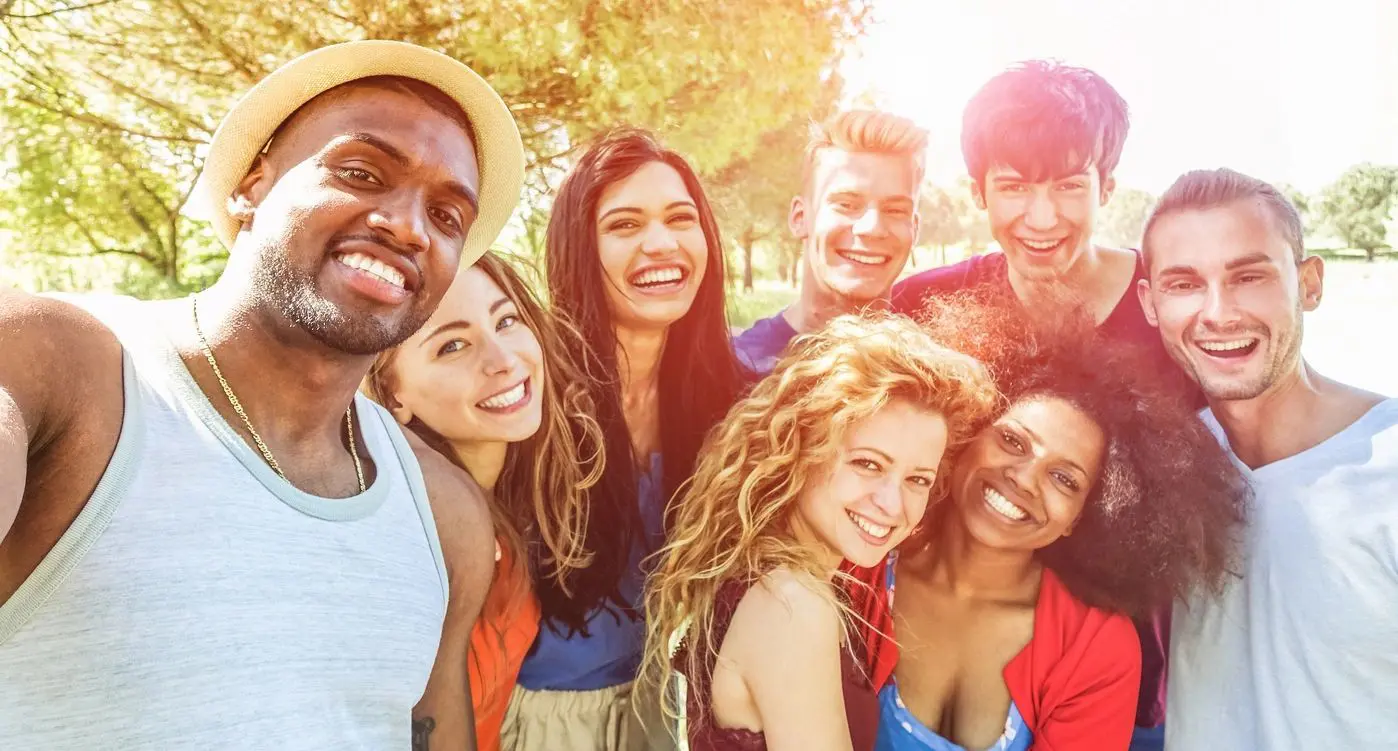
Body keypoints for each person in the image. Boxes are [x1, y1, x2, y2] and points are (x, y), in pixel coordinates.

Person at [0, 40, 524, 749]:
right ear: (250, 186)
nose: (407, 225)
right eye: (362, 172)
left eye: (447, 217)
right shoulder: (59, 367)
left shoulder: (445, 515)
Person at [888, 61, 1188, 746]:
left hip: (1120, 674)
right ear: (978, 191)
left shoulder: (1168, 306)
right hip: (928, 642)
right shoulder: (924, 307)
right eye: (1015, 186)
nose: (1042, 216)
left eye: (1068, 185)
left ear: (1106, 185)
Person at [861, 291, 1247, 751]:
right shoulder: (861, 560)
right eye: (1012, 441)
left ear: (1081, 517)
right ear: (967, 432)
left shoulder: (1096, 645)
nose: (1023, 479)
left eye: (1064, 479)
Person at [645, 313, 997, 751]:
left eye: (917, 479)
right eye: (868, 464)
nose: (892, 504)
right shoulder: (793, 606)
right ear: (802, 449)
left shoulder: (773, 573)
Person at [1137, 168, 1398, 750]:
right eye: (1183, 284)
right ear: (1149, 304)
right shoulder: (1164, 469)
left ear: (1309, 283)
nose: (1219, 312)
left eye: (1249, 276)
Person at [504, 129, 747, 750]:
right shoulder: (529, 394)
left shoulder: (722, 399)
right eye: (624, 225)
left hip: (659, 716)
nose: (661, 243)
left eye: (680, 218)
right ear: (580, 250)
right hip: (537, 722)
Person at [362, 251, 605, 751]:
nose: (504, 360)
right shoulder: (414, 543)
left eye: (507, 320)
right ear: (392, 396)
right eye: (452, 346)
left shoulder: (509, 501)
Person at [733, 109, 927, 373]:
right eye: (846, 204)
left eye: (895, 210)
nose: (872, 228)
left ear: (914, 229)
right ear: (800, 217)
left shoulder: (933, 376)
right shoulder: (736, 368)